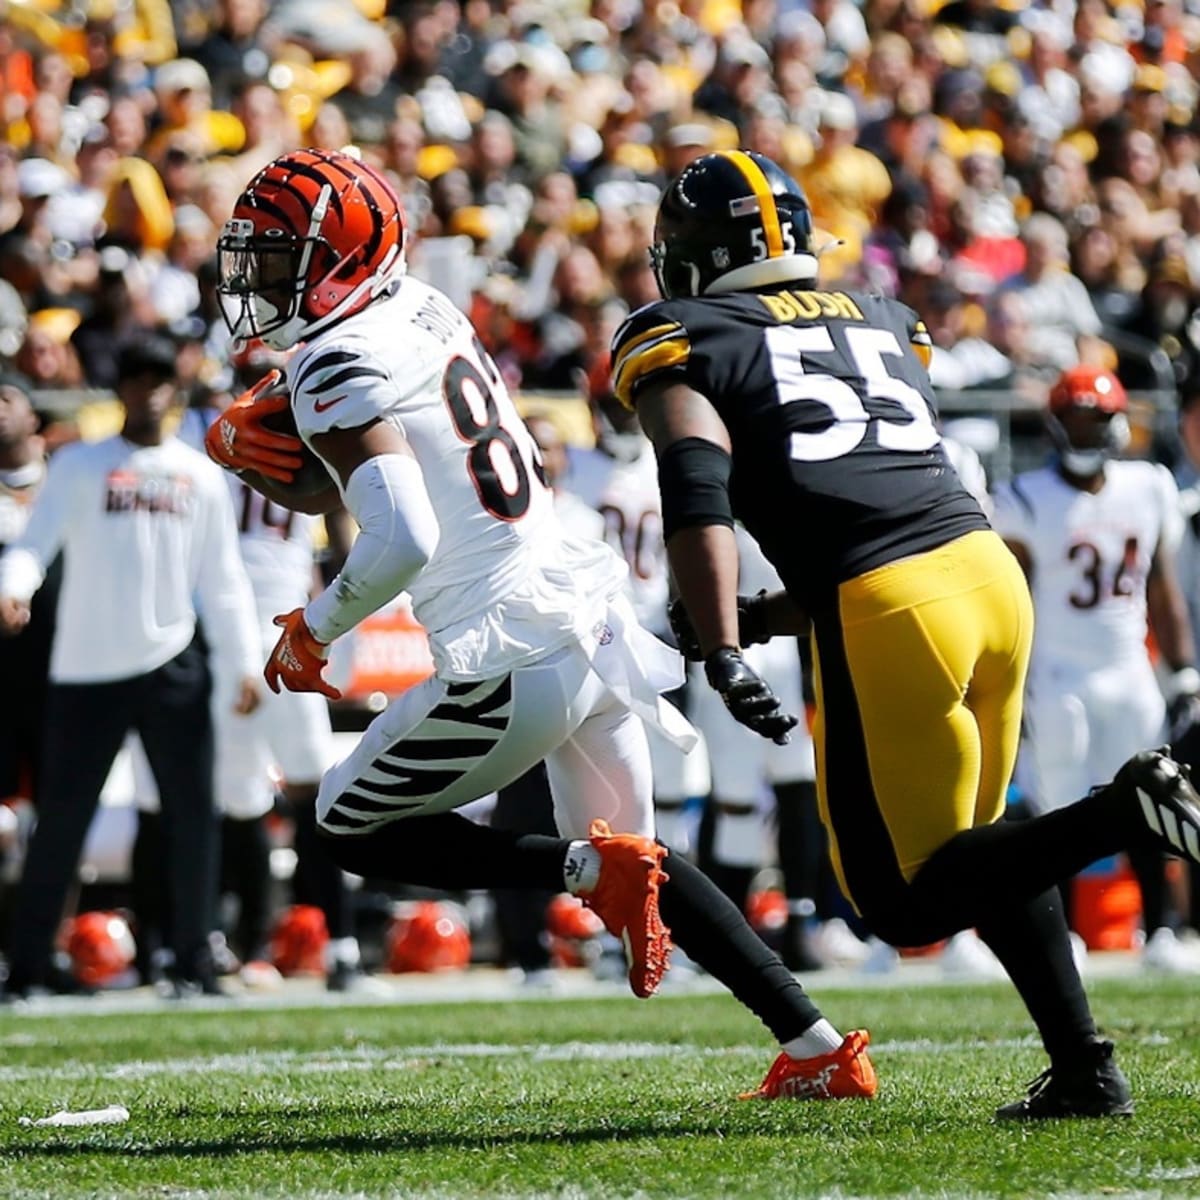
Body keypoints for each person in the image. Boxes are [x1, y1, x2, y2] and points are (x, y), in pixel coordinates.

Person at [204, 147, 875, 1101]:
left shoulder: (333, 358)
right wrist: (283, 446)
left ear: (338, 257)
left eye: (276, 256)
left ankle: (576, 869)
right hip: (586, 619)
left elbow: (397, 535)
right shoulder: (422, 309)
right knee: (641, 866)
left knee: (348, 822)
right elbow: (384, 458)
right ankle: (818, 1050)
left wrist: (314, 625)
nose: (259, 276)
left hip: (506, 653)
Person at [619, 148, 1200, 1119]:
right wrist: (759, 620)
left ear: (694, 255)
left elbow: (696, 481)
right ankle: (1086, 1067)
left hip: (896, 606)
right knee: (984, 851)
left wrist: (720, 644)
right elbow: (865, 514)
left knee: (900, 901)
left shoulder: (685, 332)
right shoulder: (885, 320)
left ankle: (1126, 810)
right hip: (986, 581)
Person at [0, 335, 263, 998]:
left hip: (174, 661)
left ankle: (194, 960)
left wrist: (243, 664)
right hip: (86, 670)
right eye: (137, 379)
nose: (149, 392)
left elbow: (223, 579)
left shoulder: (199, 473)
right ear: (119, 389)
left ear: (176, 389)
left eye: (160, 380)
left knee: (192, 816)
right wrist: (15, 586)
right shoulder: (81, 466)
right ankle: (27, 966)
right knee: (62, 819)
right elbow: (34, 544)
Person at [993, 366, 1200, 973]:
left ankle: (1161, 927)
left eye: (1099, 418)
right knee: (1057, 804)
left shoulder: (1146, 486)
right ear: (1057, 424)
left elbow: (1161, 586)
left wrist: (1184, 669)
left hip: (1127, 665)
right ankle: (1068, 935)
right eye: (1079, 418)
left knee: (1150, 797)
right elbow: (1014, 596)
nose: (1089, 430)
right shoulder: (1027, 497)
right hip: (1057, 673)